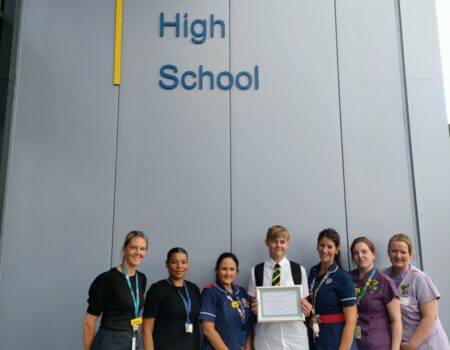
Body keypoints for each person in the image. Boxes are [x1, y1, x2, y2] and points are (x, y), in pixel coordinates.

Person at [82, 230, 149, 350]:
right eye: (133, 247)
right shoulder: (107, 279)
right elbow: (88, 321)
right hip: (111, 341)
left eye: (142, 249)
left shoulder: (141, 278)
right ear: (124, 248)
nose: (138, 252)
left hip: (133, 339)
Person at [247, 225, 310, 350]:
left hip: (295, 338)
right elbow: (252, 302)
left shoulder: (298, 270)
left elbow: (305, 302)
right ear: (267, 242)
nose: (278, 245)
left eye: (282, 241)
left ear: (287, 244)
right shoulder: (256, 271)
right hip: (266, 338)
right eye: (274, 241)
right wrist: (254, 308)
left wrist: (307, 310)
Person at [384, 233, 450, 350]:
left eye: (403, 252)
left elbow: (430, 317)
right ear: (388, 253)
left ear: (410, 255)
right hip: (402, 344)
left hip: (428, 344)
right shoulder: (384, 277)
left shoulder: (420, 279)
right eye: (394, 251)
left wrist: (411, 345)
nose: (398, 255)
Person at [304, 228, 357, 350]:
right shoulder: (313, 271)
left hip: (335, 338)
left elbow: (351, 320)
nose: (324, 250)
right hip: (316, 336)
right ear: (317, 247)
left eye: (329, 247)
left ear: (336, 250)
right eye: (322, 245)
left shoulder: (343, 277)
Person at [142, 247, 201, 350]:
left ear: (188, 264)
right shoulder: (157, 289)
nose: (179, 266)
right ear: (167, 264)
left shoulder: (193, 289)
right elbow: (146, 329)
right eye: (174, 262)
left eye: (183, 262)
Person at [350, 236, 402, 349]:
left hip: (378, 344)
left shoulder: (384, 281)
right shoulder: (348, 279)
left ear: (373, 254)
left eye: (364, 252)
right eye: (356, 253)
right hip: (354, 344)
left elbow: (396, 320)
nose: (360, 256)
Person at [200, 252, 253, 350]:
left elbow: (248, 327)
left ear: (236, 271)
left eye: (232, 269)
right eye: (224, 269)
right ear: (217, 271)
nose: (228, 273)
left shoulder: (242, 292)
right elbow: (208, 330)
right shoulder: (210, 292)